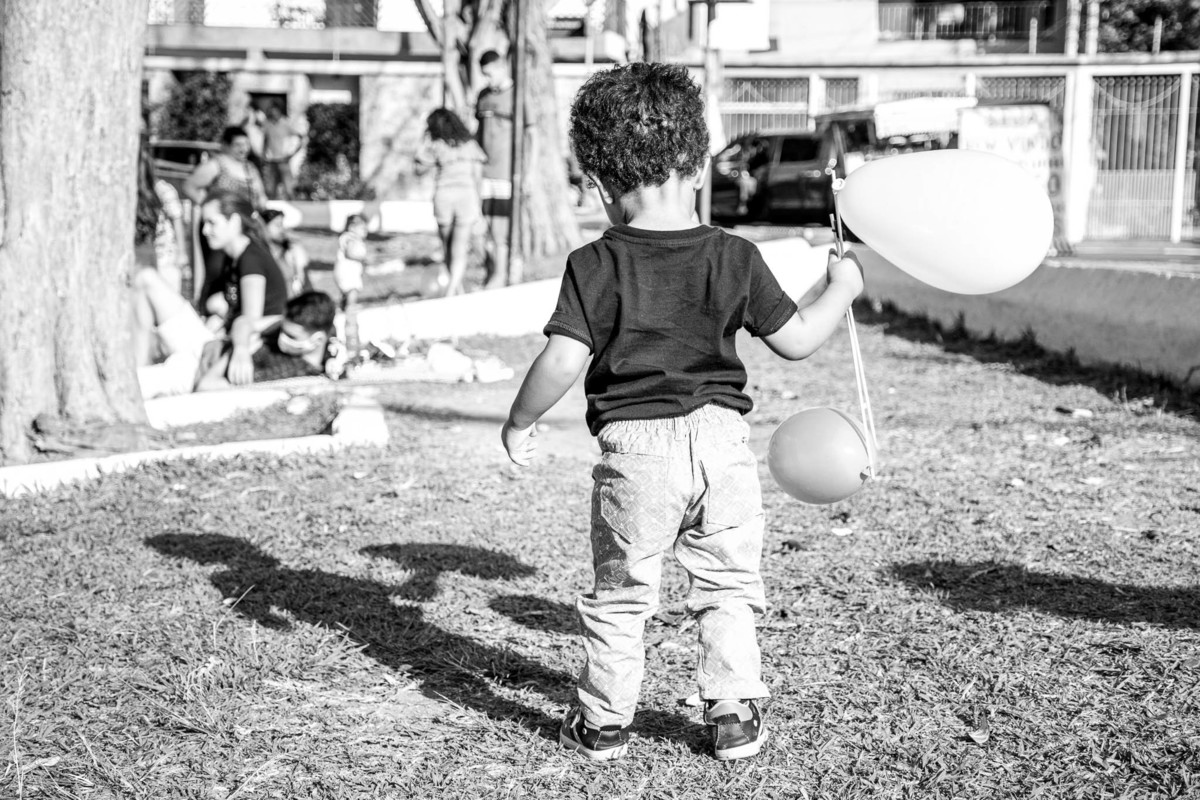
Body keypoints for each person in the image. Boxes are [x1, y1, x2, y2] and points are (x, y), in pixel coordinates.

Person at [499, 63, 865, 763]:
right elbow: (797, 340)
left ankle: (605, 721)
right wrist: (840, 286)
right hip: (724, 445)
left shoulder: (594, 263)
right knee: (728, 584)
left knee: (622, 593)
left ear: (603, 185)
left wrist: (521, 422)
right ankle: (731, 713)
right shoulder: (735, 255)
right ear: (698, 166)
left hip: (636, 452)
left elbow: (562, 362)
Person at [133, 265, 335, 399]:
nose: (283, 337)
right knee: (146, 278)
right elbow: (244, 323)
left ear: (317, 340)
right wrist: (240, 349)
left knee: (127, 384)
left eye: (291, 337)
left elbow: (206, 386)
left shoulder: (290, 373)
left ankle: (140, 371)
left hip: (192, 373)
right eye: (283, 330)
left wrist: (233, 355)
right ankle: (141, 361)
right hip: (205, 343)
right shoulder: (309, 326)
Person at [198, 191, 290, 386]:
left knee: (147, 281)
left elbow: (250, 321)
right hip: (226, 340)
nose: (205, 230)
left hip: (249, 350)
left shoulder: (251, 261)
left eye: (212, 222)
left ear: (235, 221)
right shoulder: (233, 258)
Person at [183, 126, 269, 308]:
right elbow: (189, 186)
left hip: (243, 226)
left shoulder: (249, 168)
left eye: (246, 144)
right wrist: (209, 207)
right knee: (216, 268)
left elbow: (260, 195)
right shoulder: (216, 165)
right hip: (219, 225)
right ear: (226, 146)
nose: (243, 149)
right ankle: (205, 305)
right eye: (238, 144)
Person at [415, 108, 487, 297]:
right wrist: (478, 205)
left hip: (443, 197)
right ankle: (455, 287)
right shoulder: (470, 144)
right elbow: (478, 177)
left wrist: (424, 143)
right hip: (467, 196)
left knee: (447, 246)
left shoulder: (436, 145)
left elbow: (419, 168)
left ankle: (453, 287)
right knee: (459, 247)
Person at [475, 49, 515, 289]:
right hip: (483, 174)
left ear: (501, 67)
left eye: (489, 74)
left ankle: (501, 276)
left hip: (506, 173)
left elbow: (530, 133)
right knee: (482, 228)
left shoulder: (517, 96)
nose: (487, 80)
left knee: (500, 229)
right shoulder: (482, 96)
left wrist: (527, 172)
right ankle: (489, 273)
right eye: (484, 75)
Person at [335, 214, 369, 356]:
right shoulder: (349, 238)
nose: (365, 231)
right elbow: (350, 252)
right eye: (363, 228)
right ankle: (351, 335)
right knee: (351, 304)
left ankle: (349, 331)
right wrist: (365, 258)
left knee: (347, 303)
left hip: (351, 276)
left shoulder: (353, 238)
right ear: (352, 227)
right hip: (349, 277)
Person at [261, 103, 306, 201]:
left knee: (289, 189)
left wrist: (292, 153)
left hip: (283, 161)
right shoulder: (268, 124)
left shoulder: (285, 123)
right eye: (271, 112)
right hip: (272, 161)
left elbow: (301, 137)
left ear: (279, 111)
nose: (273, 114)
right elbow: (265, 140)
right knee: (270, 189)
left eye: (274, 111)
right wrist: (263, 154)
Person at [261, 208, 311, 296]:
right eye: (277, 225)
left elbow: (303, 281)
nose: (282, 229)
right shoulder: (257, 252)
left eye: (282, 225)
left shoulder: (292, 251)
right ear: (263, 227)